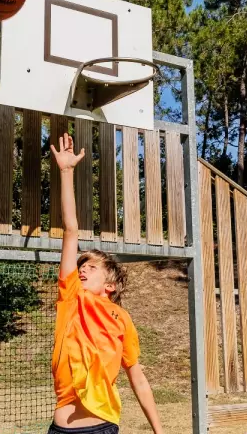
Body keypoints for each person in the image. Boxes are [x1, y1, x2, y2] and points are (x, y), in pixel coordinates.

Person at [49, 133, 164, 434]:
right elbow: (71, 230)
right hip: (60, 429)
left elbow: (137, 378)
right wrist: (66, 172)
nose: (82, 270)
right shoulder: (72, 297)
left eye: (92, 267)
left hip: (101, 428)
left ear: (110, 285)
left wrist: (159, 430)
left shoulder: (121, 320)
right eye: (81, 266)